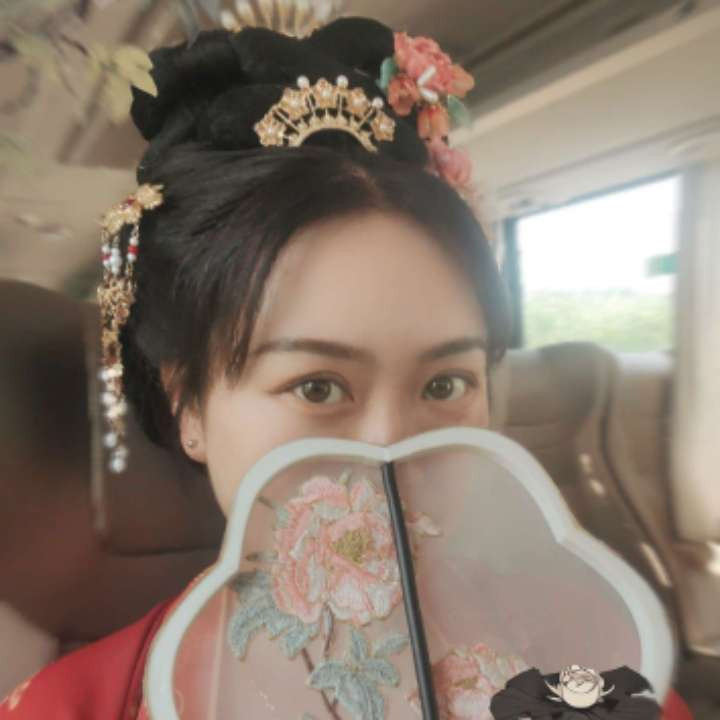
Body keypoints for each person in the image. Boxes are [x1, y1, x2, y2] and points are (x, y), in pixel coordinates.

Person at [0, 16, 692, 720]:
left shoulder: (599, 665)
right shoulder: (69, 707)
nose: (392, 447)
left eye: (445, 384)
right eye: (317, 387)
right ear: (190, 406)